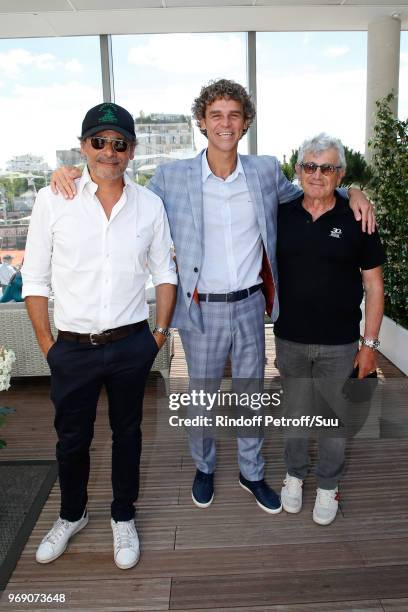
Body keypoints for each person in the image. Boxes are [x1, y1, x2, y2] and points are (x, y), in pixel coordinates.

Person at [50, 79, 375, 515]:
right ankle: (203, 467)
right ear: (202, 122)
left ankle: (251, 470)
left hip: (250, 306)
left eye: (234, 115)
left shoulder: (263, 173)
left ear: (245, 124)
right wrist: (72, 172)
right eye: (216, 114)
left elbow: (314, 192)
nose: (225, 123)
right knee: (202, 397)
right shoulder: (171, 177)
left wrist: (354, 190)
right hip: (200, 308)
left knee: (250, 396)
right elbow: (124, 192)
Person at [22, 102, 177, 569]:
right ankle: (72, 514)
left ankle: (123, 515)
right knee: (72, 439)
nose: (109, 151)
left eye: (119, 143)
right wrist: (48, 345)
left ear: (131, 151)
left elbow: (164, 271)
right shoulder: (53, 199)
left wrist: (160, 334)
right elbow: (35, 279)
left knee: (128, 434)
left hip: (132, 343)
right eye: (99, 141)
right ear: (83, 145)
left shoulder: (150, 205)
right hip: (71, 348)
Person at [275, 133, 385, 526]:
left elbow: (374, 285)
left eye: (327, 168)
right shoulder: (282, 213)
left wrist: (369, 345)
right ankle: (294, 475)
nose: (317, 174)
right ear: (297, 170)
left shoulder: (358, 218)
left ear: (340, 174)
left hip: (341, 344)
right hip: (289, 338)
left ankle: (327, 485)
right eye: (309, 166)